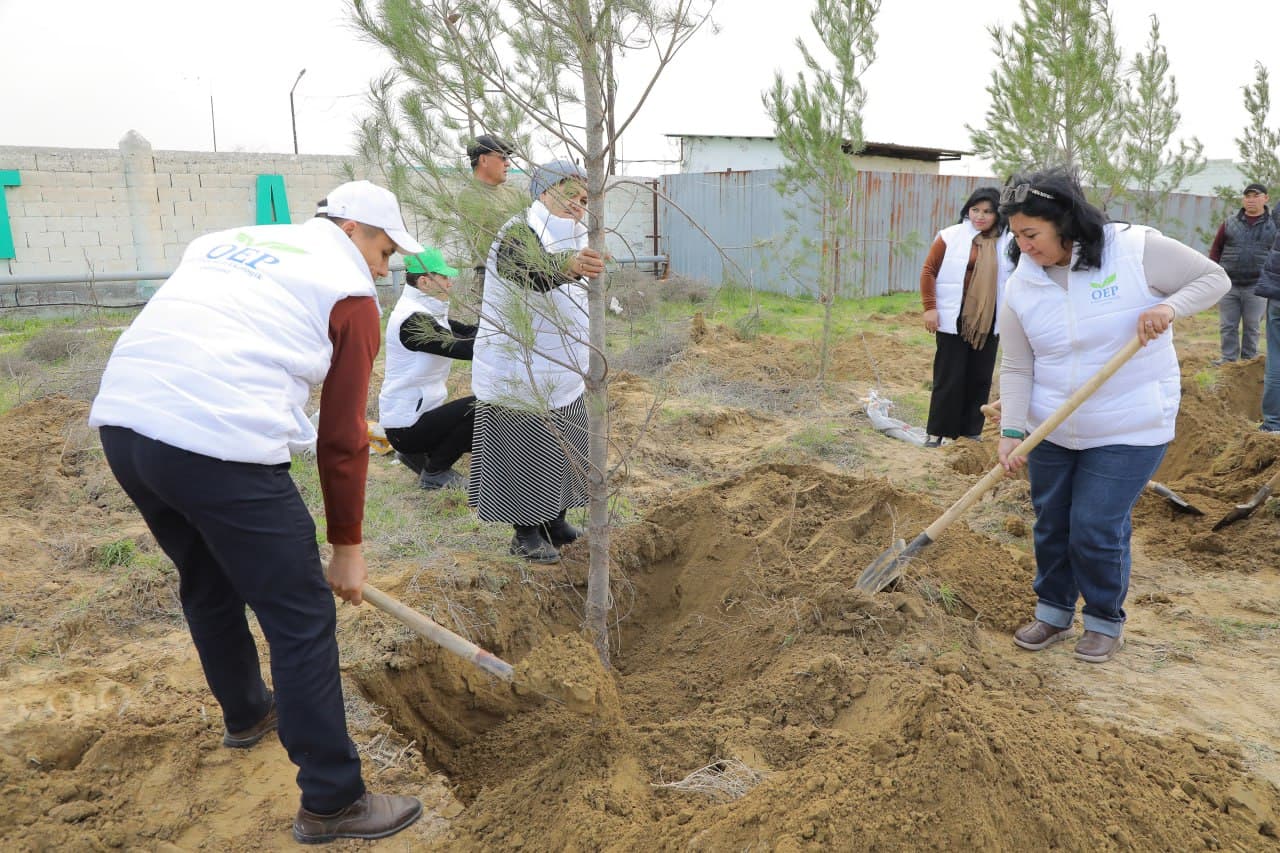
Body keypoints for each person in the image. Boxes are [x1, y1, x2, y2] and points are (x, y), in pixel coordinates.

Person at [88, 180, 426, 843]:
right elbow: (342, 436)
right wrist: (347, 546)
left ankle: (247, 714)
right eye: (386, 250)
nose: (386, 269)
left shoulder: (225, 240)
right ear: (354, 228)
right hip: (218, 437)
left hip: (126, 425)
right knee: (300, 614)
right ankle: (333, 800)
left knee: (207, 575)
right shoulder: (351, 294)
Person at [995, 167, 1228, 664]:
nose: (1023, 244)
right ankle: (1053, 611)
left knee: (1095, 525)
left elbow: (1214, 278)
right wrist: (1012, 430)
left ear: (1064, 222)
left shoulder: (1132, 250)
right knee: (1052, 523)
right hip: (1053, 424)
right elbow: (1017, 363)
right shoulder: (1021, 284)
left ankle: (1103, 619)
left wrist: (1170, 309)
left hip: (1130, 420)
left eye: (1031, 233)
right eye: (1015, 235)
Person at [468, 160, 605, 563]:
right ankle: (524, 532)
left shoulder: (580, 233)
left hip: (563, 369)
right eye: (569, 194)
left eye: (584, 198)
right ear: (544, 191)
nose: (578, 205)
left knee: (565, 450)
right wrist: (567, 267)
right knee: (526, 453)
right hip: (519, 368)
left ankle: (554, 520)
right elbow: (526, 270)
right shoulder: (518, 231)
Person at [919, 186, 1014, 447]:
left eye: (987, 211)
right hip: (953, 317)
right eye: (975, 210)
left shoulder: (1009, 241)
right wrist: (930, 307)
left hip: (989, 321)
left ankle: (970, 433)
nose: (980, 216)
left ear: (998, 214)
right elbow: (929, 271)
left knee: (980, 376)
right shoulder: (950, 236)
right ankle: (938, 432)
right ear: (967, 210)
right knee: (949, 376)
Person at [378, 247, 477, 489]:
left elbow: (469, 331)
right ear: (424, 281)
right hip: (406, 426)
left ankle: (419, 455)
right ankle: (435, 472)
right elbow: (466, 349)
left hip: (416, 416)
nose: (450, 283)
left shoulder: (426, 314)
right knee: (481, 408)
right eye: (444, 277)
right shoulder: (412, 322)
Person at [1207, 182, 1275, 363]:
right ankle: (1228, 360)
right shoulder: (1230, 223)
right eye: (1247, 196)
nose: (1251, 200)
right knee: (1228, 325)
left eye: (1256, 196)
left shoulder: (1274, 225)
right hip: (1229, 283)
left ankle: (1248, 362)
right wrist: (1213, 274)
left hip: (1257, 285)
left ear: (1265, 198)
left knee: (1252, 326)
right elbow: (1216, 250)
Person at [457, 135, 526, 302]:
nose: (508, 163)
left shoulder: (514, 193)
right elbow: (500, 233)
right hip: (491, 280)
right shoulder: (469, 196)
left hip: (523, 279)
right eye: (502, 157)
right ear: (483, 160)